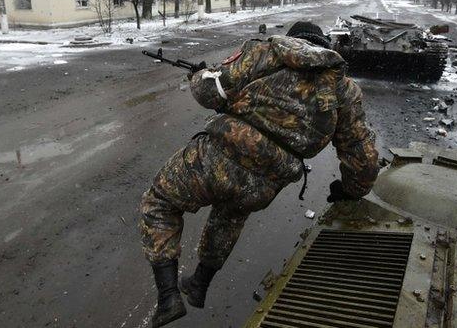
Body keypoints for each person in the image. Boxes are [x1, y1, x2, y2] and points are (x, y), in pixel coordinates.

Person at [139, 21, 379, 327]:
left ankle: (168, 297)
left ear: (294, 42)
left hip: (219, 156)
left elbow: (208, 93)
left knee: (160, 202)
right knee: (229, 216)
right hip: (265, 182)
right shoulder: (344, 89)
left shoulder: (267, 53)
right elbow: (362, 154)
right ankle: (199, 284)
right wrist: (351, 189)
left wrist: (199, 75)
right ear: (324, 46)